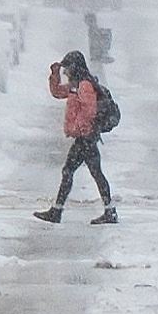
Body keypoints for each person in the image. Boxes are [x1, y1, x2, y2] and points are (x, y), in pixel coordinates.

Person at [35, 50, 116, 224]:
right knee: (89, 173)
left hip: (86, 137)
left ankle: (57, 211)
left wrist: (79, 128)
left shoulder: (84, 86)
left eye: (66, 68)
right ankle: (109, 211)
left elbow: (89, 109)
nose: (65, 72)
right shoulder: (76, 85)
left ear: (75, 67)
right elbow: (57, 92)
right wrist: (55, 74)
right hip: (85, 137)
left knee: (72, 171)